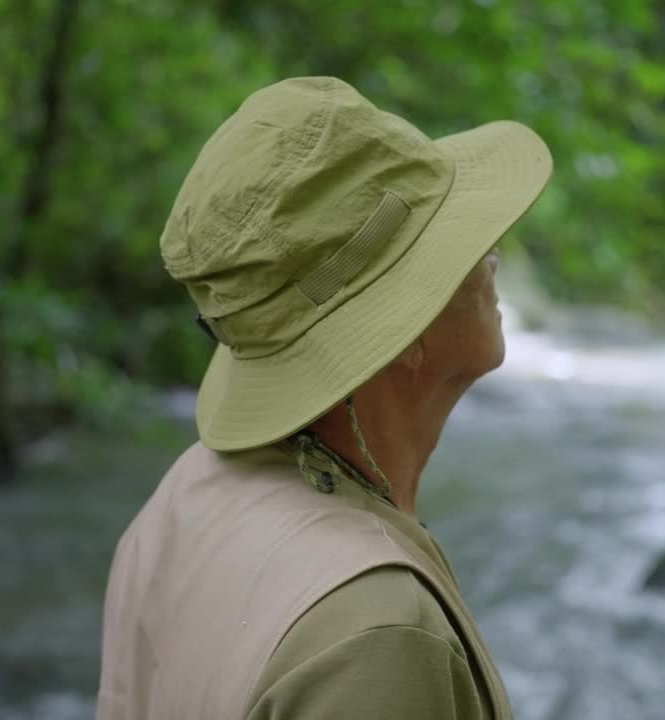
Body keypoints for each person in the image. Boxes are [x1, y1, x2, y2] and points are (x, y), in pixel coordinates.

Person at [96, 76, 551, 720]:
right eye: (457, 242)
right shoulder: (380, 635)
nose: (494, 253)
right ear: (403, 330)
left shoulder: (184, 495)